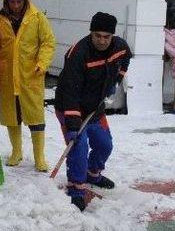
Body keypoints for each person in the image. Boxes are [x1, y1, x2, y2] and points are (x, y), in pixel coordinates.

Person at [54, 12, 132, 211]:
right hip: (70, 107)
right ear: (91, 33)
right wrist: (72, 125)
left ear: (112, 36)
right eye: (97, 35)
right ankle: (76, 189)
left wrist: (116, 80)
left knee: (105, 144)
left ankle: (93, 173)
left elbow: (126, 59)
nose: (102, 40)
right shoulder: (78, 53)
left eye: (106, 37)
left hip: (95, 108)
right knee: (78, 149)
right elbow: (70, 92)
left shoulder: (119, 46)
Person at [0, 0, 56, 171]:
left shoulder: (37, 18)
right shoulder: (0, 22)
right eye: (12, 2)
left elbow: (48, 43)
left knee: (36, 118)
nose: (16, 6)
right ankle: (16, 152)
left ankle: (39, 157)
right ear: (7, 2)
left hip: (30, 77)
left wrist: (42, 63)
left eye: (19, 2)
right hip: (7, 79)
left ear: (25, 1)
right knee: (12, 116)